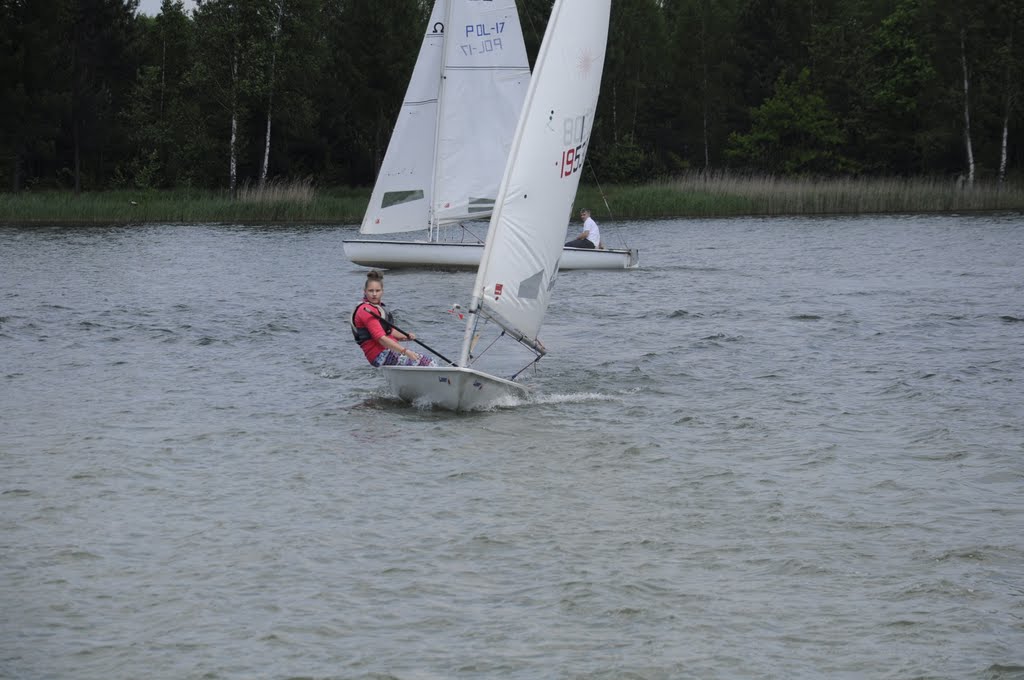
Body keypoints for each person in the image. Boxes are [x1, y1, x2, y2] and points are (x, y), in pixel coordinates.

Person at [351, 270, 436, 367]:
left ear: (382, 291)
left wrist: (406, 336)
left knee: (430, 360)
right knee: (430, 363)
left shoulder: (377, 308)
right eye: (371, 291)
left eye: (377, 291)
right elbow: (381, 339)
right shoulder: (365, 311)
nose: (374, 294)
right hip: (380, 355)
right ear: (365, 291)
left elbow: (389, 331)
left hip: (387, 351)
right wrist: (405, 351)